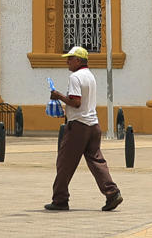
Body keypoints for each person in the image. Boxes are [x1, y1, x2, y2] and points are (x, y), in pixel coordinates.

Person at [46, 46, 122, 213]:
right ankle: (112, 193)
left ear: (78, 60)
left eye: (70, 58)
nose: (67, 61)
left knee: (64, 163)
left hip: (78, 127)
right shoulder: (90, 76)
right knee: (97, 161)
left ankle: (60, 200)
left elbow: (76, 102)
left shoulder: (75, 77)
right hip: (93, 124)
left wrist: (58, 96)